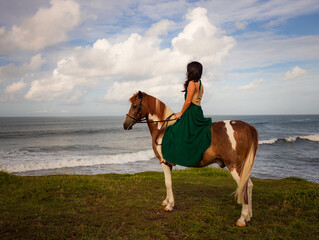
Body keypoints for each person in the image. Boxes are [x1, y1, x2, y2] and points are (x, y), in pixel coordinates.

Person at [162, 61, 213, 167]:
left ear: (191, 71)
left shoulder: (191, 83)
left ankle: (171, 159)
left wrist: (181, 113)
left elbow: (188, 101)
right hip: (198, 111)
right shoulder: (200, 84)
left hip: (191, 112)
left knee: (173, 131)